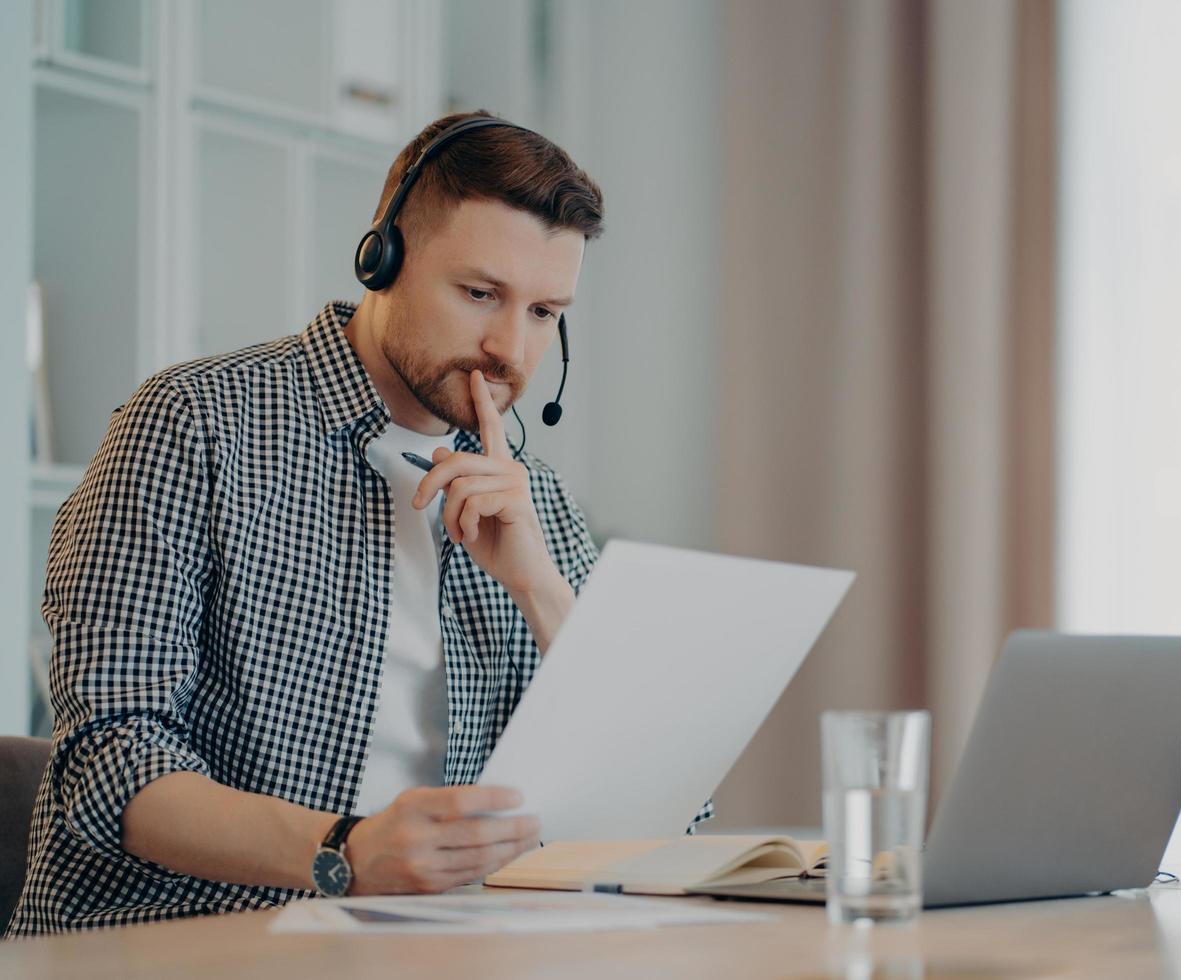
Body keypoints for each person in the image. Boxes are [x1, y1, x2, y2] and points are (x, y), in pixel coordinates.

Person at [8, 111, 709, 937]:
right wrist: (346, 851)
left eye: (544, 313)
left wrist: (542, 589)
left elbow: (666, 817)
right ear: (384, 259)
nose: (507, 348)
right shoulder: (194, 425)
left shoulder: (534, 502)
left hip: (431, 953)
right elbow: (106, 761)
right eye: (480, 294)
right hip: (175, 943)